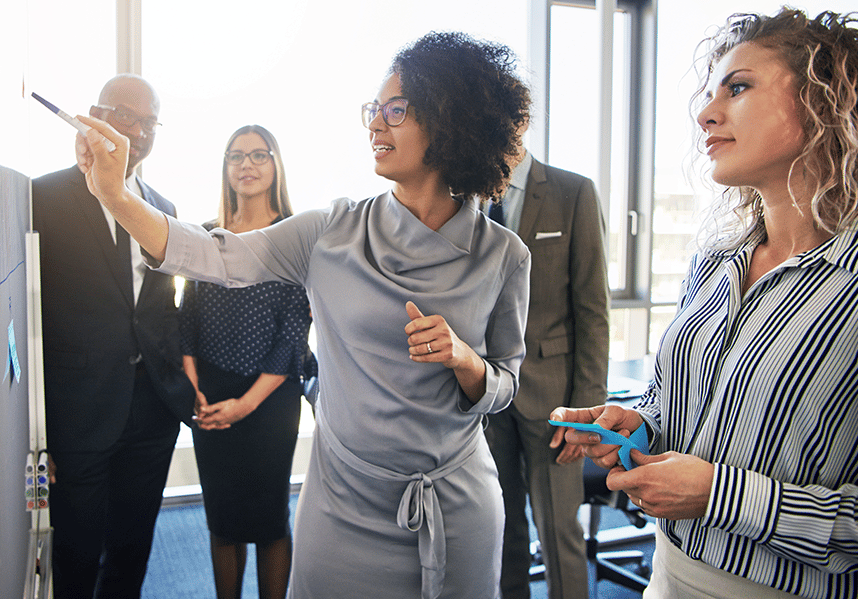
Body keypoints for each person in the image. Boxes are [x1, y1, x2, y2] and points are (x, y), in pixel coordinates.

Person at [74, 31, 532, 599]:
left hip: (456, 506)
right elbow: (213, 254)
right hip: (345, 504)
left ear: (449, 122)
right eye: (374, 110)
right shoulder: (330, 232)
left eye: (395, 111)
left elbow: (506, 385)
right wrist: (117, 198)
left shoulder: (505, 255)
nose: (374, 125)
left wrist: (466, 360)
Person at [553, 8, 858, 599]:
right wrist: (638, 424)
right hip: (668, 573)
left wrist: (720, 494)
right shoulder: (716, 260)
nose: (706, 113)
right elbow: (675, 403)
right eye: (711, 91)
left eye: (738, 87)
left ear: (827, 102)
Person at [32, 74, 195, 598]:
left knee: (132, 549)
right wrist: (39, 429)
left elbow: (160, 309)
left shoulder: (163, 208)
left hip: (152, 408)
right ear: (94, 115)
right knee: (77, 553)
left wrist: (181, 382)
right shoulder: (43, 197)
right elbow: (31, 319)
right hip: (79, 411)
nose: (139, 131)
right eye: (126, 116)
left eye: (149, 121)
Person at [484, 80, 610, 599]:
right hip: (485, 396)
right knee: (500, 531)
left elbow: (593, 310)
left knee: (560, 534)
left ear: (521, 119)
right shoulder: (461, 198)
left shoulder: (571, 191)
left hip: (555, 401)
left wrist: (587, 409)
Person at [179, 124, 314, 599]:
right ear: (225, 168)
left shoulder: (295, 236)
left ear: (276, 165)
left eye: (259, 155)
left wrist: (245, 405)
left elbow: (293, 336)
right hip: (209, 395)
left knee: (270, 519)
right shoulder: (207, 234)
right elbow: (188, 319)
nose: (247, 165)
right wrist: (192, 389)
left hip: (271, 398)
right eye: (236, 156)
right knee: (223, 518)